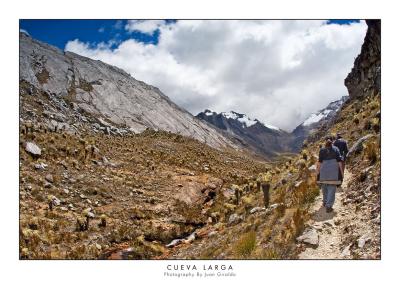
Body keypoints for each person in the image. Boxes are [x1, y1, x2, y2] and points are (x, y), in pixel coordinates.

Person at [316, 135, 344, 213]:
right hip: (333, 173)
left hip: (323, 173)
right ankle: (328, 206)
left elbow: (319, 163)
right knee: (331, 189)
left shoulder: (321, 150)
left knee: (324, 188)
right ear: (333, 141)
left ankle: (325, 202)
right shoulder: (336, 149)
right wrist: (341, 173)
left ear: (325, 141)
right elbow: (339, 162)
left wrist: (317, 172)